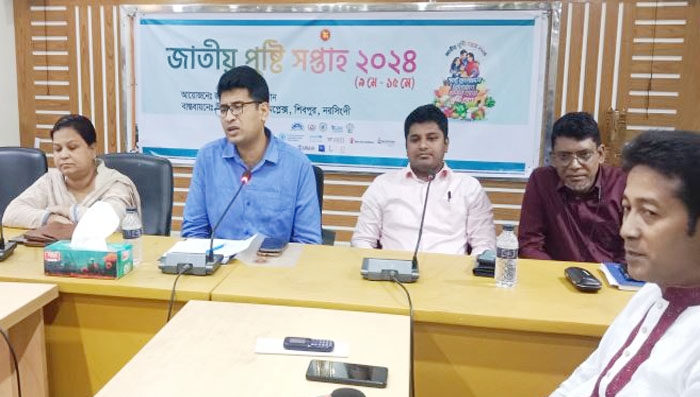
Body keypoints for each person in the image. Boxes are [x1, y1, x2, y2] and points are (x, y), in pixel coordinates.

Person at [546, 130, 700, 397]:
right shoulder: (651, 292)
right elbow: (589, 376)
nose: (626, 230)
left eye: (649, 213)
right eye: (627, 208)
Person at [182, 66, 321, 243]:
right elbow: (194, 230)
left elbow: (308, 242)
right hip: (220, 259)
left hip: (275, 260)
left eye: (237, 107)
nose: (229, 117)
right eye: (223, 109)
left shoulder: (297, 165)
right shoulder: (208, 159)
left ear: (263, 111)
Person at [351, 104, 495, 255]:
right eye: (415, 140)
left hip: (451, 269)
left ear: (446, 144)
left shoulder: (468, 188)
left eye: (432, 138)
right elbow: (362, 240)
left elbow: (485, 245)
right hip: (393, 268)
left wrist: (468, 269)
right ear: (406, 146)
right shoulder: (383, 185)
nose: (423, 146)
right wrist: (378, 266)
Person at [518, 112, 626, 263]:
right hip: (556, 274)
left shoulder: (622, 184)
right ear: (553, 158)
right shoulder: (542, 181)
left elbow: (635, 247)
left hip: (609, 275)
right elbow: (530, 245)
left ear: (601, 154)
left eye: (584, 155)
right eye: (564, 156)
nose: (574, 165)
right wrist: (557, 273)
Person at [2, 114, 140, 228]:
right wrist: (50, 218)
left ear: (92, 149)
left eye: (72, 147)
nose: (63, 155)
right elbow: (11, 213)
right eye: (57, 149)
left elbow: (110, 220)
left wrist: (69, 212)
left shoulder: (115, 184)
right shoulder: (51, 181)